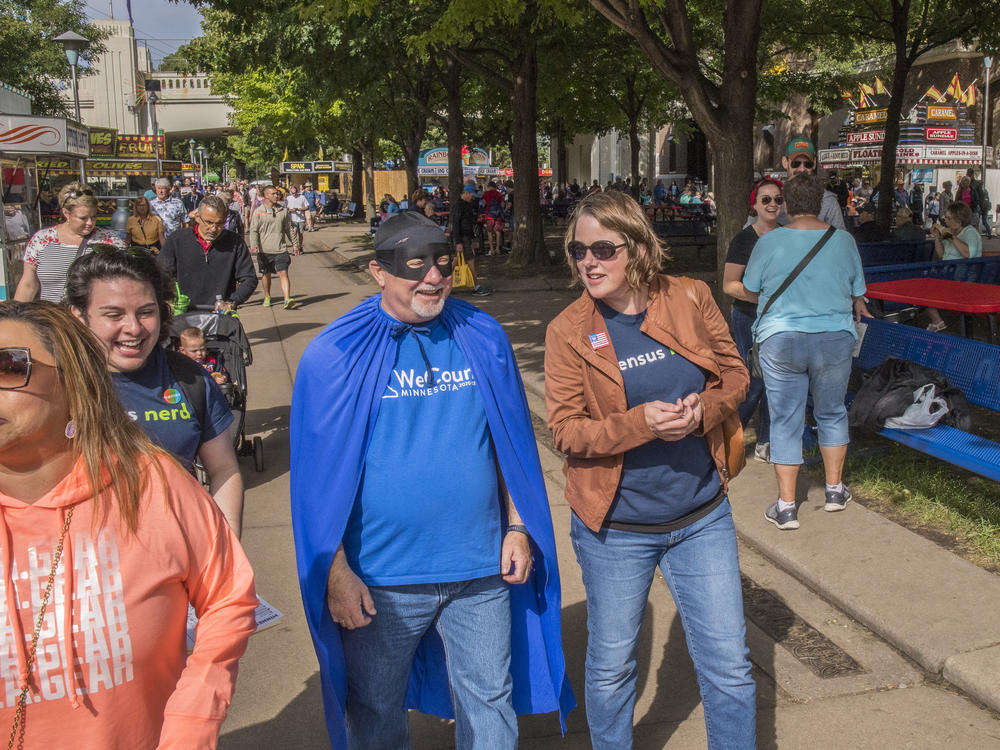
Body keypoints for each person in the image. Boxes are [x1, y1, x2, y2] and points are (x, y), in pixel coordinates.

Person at [290, 210, 574, 749]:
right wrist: (336, 573)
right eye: (415, 265)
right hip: (381, 578)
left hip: (480, 568)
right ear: (378, 271)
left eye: (443, 263)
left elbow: (509, 446)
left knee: (490, 699)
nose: (433, 277)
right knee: (375, 710)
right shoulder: (335, 354)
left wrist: (517, 527)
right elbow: (313, 486)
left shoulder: (481, 334)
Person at [544, 191, 754, 750]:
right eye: (577, 249)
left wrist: (701, 412)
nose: (588, 261)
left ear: (637, 247)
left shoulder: (690, 296)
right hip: (617, 528)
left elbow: (735, 377)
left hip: (702, 515)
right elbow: (564, 430)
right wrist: (639, 424)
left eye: (603, 249)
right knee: (612, 668)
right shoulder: (568, 329)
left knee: (729, 665)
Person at [0, 300, 256, 748]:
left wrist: (192, 722)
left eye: (6, 366)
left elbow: (228, 597)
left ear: (71, 379)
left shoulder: (153, 484)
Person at [66, 246, 245, 538]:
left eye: (146, 312)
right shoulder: (55, 385)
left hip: (179, 561)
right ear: (79, 316)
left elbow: (225, 469)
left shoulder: (189, 378)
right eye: (114, 315)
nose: (134, 328)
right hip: (90, 569)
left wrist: (227, 551)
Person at [742, 174, 868, 531]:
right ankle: (833, 490)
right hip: (833, 338)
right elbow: (857, 289)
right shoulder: (843, 241)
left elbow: (751, 287)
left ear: (785, 205)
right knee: (830, 412)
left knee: (785, 419)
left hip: (781, 339)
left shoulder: (769, 241)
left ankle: (785, 507)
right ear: (821, 204)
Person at [724, 178, 780, 462]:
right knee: (754, 382)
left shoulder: (787, 235)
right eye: (766, 199)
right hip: (748, 318)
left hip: (780, 321)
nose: (772, 204)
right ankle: (730, 439)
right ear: (755, 205)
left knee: (775, 381)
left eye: (777, 200)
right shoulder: (744, 239)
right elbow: (729, 285)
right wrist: (762, 298)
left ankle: (767, 441)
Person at [14, 182, 125, 303]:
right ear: (66, 213)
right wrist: (16, 317)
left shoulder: (110, 241)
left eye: (93, 217)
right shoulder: (41, 240)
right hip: (53, 318)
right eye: (83, 218)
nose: (90, 223)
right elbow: (28, 285)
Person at [159, 195, 258, 312]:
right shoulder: (177, 240)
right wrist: (168, 300)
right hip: (185, 314)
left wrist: (231, 301)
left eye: (219, 223)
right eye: (209, 222)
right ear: (197, 217)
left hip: (219, 314)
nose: (213, 228)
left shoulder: (235, 243)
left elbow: (249, 278)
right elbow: (161, 274)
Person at [926, 202, 983, 332]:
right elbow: (941, 255)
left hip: (963, 276)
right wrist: (937, 238)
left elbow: (968, 254)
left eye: (948, 218)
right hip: (950, 273)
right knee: (922, 284)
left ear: (959, 220)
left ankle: (937, 321)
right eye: (945, 217)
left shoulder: (970, 233)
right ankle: (936, 320)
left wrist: (951, 237)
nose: (945, 220)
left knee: (924, 286)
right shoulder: (951, 232)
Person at [248, 185, 297, 309]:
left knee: (283, 273)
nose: (277, 195)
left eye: (277, 193)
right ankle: (267, 296)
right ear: (266, 196)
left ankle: (287, 299)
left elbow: (288, 229)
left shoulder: (283, 211)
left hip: (281, 248)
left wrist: (295, 244)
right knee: (266, 275)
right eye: (273, 194)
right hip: (264, 250)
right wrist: (254, 245)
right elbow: (253, 230)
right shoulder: (258, 211)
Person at [782, 136, 845, 228]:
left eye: (808, 164)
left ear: (814, 163)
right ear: (785, 162)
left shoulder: (829, 201)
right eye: (796, 163)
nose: (802, 169)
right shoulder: (773, 199)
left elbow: (839, 238)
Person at [450, 183, 490, 296]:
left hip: (464, 238)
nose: (473, 198)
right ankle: (476, 286)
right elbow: (456, 225)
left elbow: (466, 224)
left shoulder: (465, 205)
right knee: (470, 261)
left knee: (457, 261)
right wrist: (458, 241)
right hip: (462, 238)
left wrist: (472, 238)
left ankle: (443, 284)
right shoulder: (459, 206)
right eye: (472, 195)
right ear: (466, 193)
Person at [481, 180, 505, 255]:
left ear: (488, 187)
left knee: (489, 232)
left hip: (489, 216)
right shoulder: (499, 194)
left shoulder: (485, 194)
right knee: (498, 232)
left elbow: (483, 204)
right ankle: (497, 248)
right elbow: (502, 205)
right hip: (498, 216)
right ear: (495, 187)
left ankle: (491, 249)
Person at [286, 184, 309, 254]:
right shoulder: (288, 198)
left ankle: (300, 246)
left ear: (297, 191)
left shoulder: (302, 197)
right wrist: (291, 210)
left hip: (301, 219)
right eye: (292, 191)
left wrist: (300, 209)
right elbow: (286, 209)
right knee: (294, 234)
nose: (294, 193)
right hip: (293, 219)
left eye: (295, 191)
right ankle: (295, 247)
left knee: (301, 234)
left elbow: (307, 206)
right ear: (290, 191)